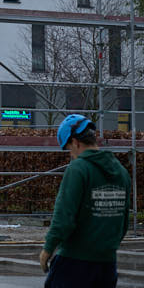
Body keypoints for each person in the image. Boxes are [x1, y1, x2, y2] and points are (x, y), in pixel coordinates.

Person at [39, 114, 130, 287]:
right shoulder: (121, 171)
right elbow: (124, 221)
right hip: (107, 265)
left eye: (69, 149)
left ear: (75, 142)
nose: (71, 155)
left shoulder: (78, 169)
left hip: (74, 262)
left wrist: (48, 249)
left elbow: (64, 217)